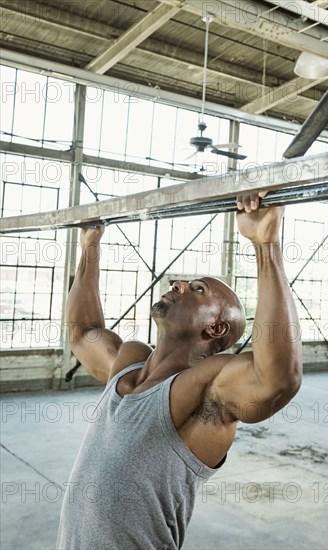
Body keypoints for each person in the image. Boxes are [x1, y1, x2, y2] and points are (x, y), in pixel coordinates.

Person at [56, 193, 302, 550]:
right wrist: (90, 243)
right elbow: (82, 332)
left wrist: (266, 245)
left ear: (215, 329)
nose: (179, 284)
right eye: (186, 281)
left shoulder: (206, 390)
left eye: (198, 289)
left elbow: (277, 379)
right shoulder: (130, 363)